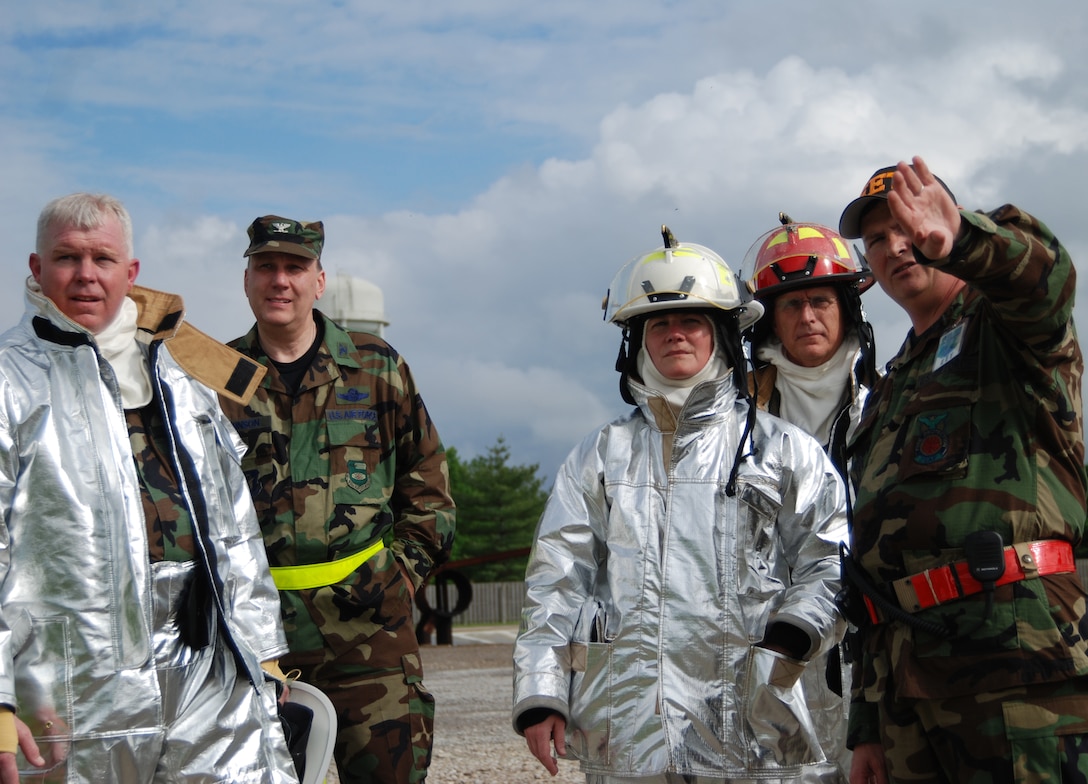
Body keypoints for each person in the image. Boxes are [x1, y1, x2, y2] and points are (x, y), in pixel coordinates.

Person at [512, 226, 849, 783]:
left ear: (720, 332)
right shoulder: (599, 456)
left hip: (759, 734)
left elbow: (831, 560)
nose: (675, 334)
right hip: (630, 737)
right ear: (635, 342)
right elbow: (556, 582)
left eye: (691, 320)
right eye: (658, 323)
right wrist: (543, 692)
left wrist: (794, 634)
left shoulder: (784, 449)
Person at [0, 193, 298, 782]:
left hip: (208, 660)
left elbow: (233, 520)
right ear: (36, 269)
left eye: (103, 259)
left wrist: (261, 646)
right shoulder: (10, 382)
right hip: (69, 675)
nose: (86, 274)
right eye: (66, 257)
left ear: (130, 273)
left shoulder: (179, 375)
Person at [839, 156, 1088, 784]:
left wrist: (968, 242)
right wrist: (868, 723)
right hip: (908, 686)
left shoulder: (1004, 330)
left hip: (1018, 664)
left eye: (905, 225)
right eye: (876, 239)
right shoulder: (892, 383)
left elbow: (1046, 281)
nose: (896, 246)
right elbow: (876, 562)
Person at [219, 215, 456, 784]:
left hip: (367, 634)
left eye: (295, 268)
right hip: (257, 641)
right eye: (266, 267)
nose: (281, 280)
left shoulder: (377, 369)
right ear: (246, 280)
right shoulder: (218, 379)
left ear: (318, 281)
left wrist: (397, 578)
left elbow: (429, 489)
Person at [740, 217, 879, 782]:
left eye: (820, 300)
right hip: (771, 647)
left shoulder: (889, 404)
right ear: (769, 319)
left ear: (847, 307)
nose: (807, 317)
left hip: (871, 650)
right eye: (790, 305)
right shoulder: (736, 421)